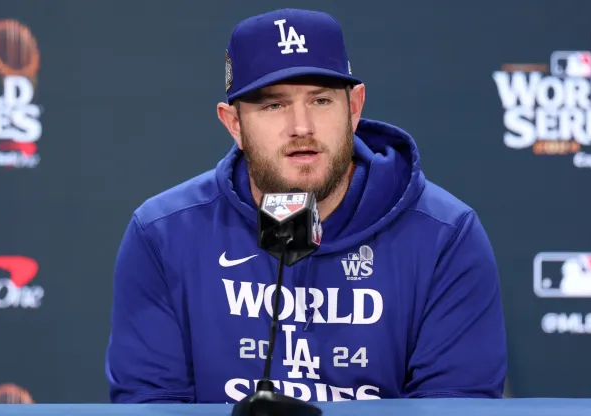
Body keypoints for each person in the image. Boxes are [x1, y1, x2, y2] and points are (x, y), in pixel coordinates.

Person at [105, 8, 507, 404]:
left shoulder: (446, 236)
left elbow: (456, 405)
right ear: (233, 124)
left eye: (320, 101)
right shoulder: (163, 234)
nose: (301, 127)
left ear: (354, 108)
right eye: (273, 105)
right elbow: (151, 404)